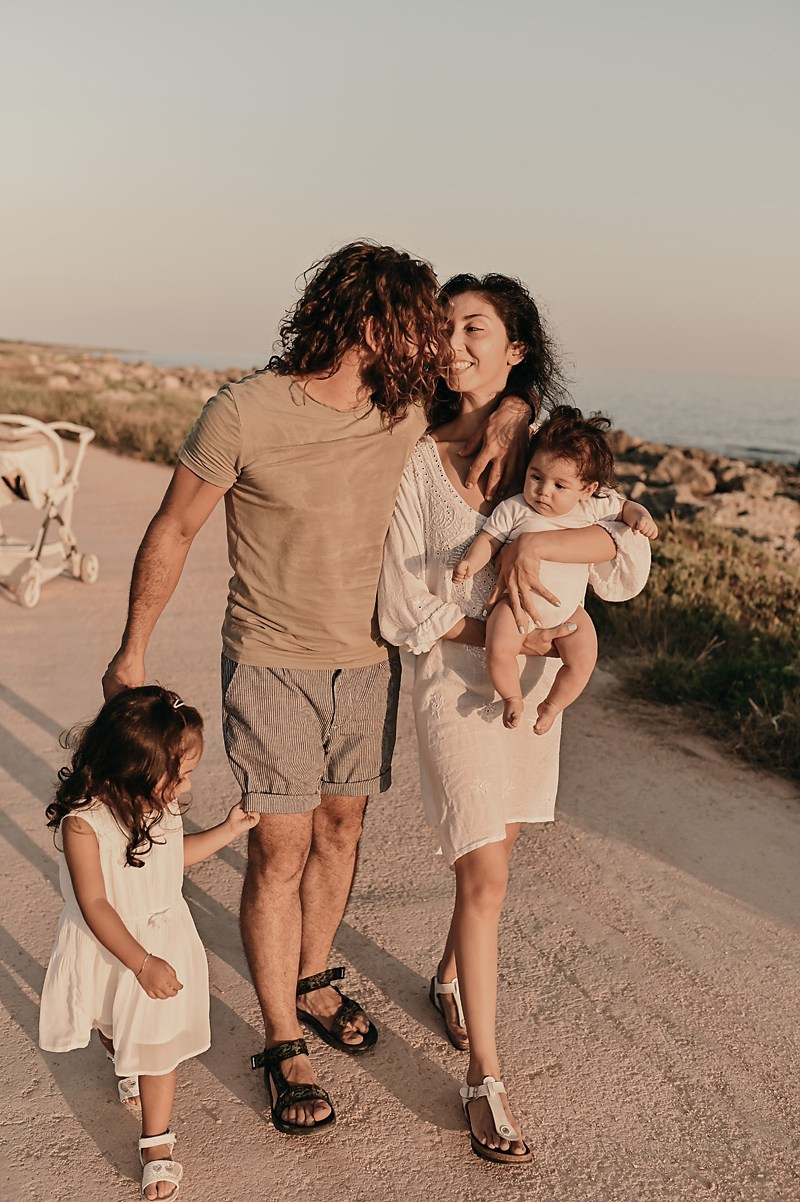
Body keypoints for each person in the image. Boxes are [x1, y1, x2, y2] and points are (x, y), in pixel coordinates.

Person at [100, 242, 567, 1135]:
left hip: (367, 662)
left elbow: (494, 398)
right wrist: (134, 649)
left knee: (342, 826)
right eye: (422, 326)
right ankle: (281, 1039)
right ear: (368, 323)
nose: (437, 345)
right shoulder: (243, 411)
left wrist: (513, 409)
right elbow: (174, 528)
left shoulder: (401, 409)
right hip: (272, 657)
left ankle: (313, 978)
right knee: (279, 846)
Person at [378, 272, 650, 1165]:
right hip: (459, 681)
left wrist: (539, 541)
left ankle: (451, 976)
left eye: (475, 330)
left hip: (530, 698)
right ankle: (485, 1077)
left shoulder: (548, 446)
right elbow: (405, 608)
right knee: (486, 873)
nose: (454, 346)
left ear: (516, 349)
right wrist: (521, 644)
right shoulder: (415, 456)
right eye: (445, 330)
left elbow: (630, 561)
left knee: (497, 856)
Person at [39, 686, 258, 1200]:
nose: (187, 784)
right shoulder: (84, 824)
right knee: (112, 1026)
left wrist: (228, 830)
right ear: (136, 767)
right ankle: (123, 1054)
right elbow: (94, 905)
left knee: (158, 1050)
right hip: (114, 942)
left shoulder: (162, 805)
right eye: (179, 773)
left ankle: (156, 1144)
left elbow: (170, 859)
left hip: (164, 933)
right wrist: (139, 963)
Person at [454, 405, 658, 733]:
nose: (543, 490)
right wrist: (470, 563)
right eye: (536, 477)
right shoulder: (516, 507)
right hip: (517, 605)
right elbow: (489, 540)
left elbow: (625, 507)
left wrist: (641, 519)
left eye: (559, 486)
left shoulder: (589, 508)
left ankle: (552, 704)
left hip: (568, 612)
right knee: (499, 645)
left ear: (587, 489)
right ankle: (511, 697)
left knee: (584, 657)